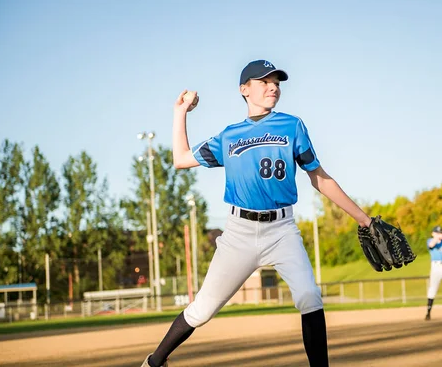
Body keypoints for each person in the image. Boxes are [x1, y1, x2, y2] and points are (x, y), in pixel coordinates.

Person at [140, 59, 373, 367]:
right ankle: (154, 362)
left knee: (309, 297)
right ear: (244, 90)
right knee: (202, 310)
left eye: (276, 81)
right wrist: (180, 112)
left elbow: (318, 176)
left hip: (282, 230)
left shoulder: (292, 126)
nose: (272, 86)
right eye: (264, 81)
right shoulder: (229, 135)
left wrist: (363, 218)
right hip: (239, 233)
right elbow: (181, 159)